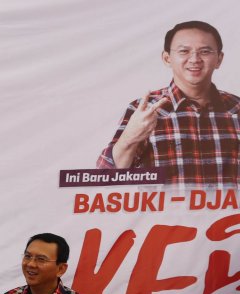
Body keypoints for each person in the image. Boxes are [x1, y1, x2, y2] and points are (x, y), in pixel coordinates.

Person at [96, 21, 240, 188]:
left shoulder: (236, 108)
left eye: (205, 51)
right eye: (184, 51)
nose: (195, 59)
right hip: (167, 206)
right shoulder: (144, 110)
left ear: (219, 59)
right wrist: (129, 138)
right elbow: (104, 179)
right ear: (167, 58)